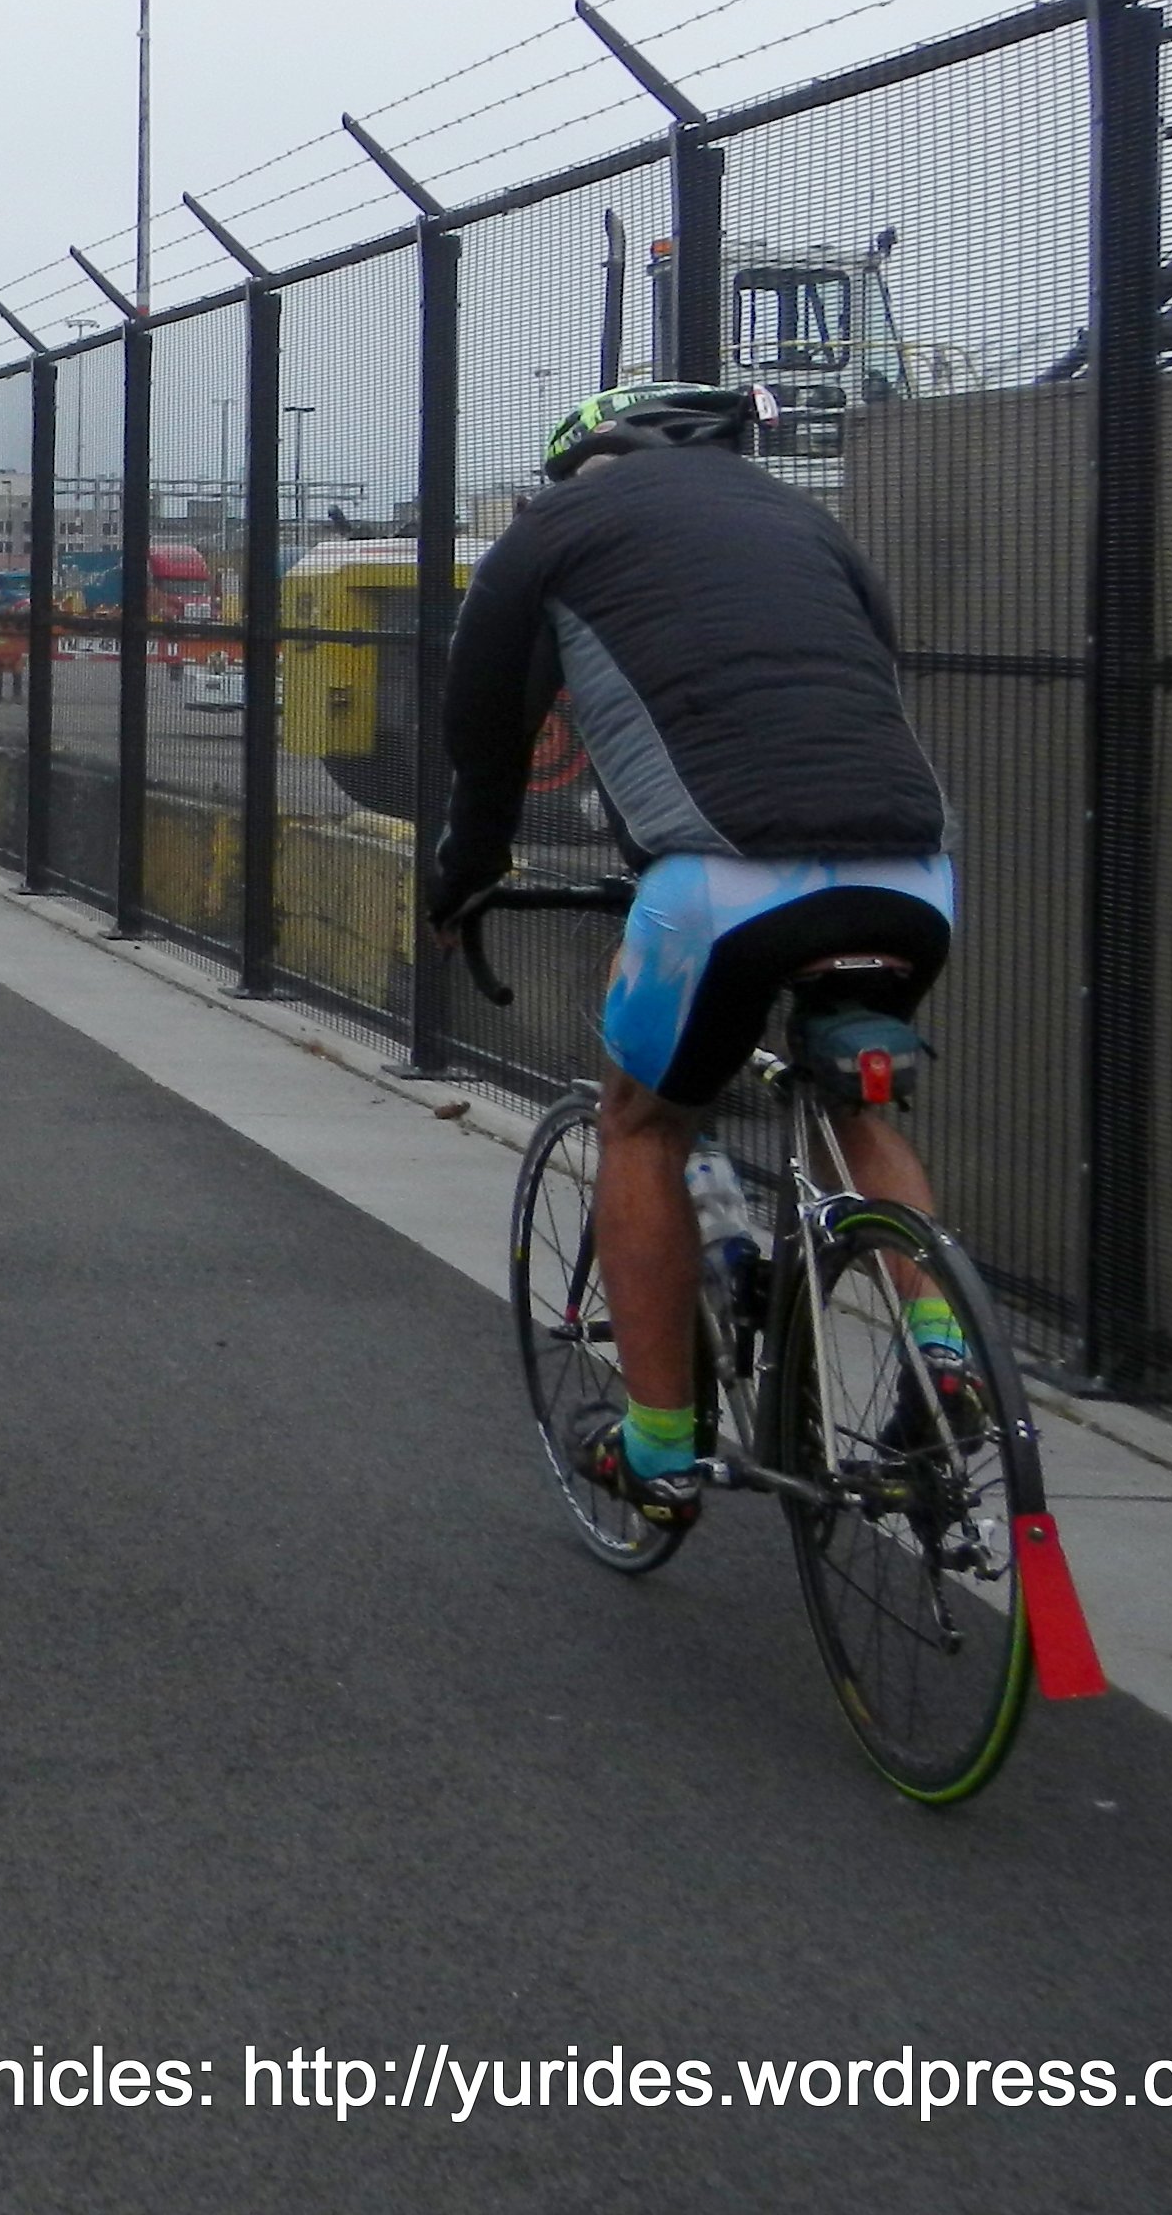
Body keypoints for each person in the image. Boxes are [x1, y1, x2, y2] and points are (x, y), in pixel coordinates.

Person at [429, 378, 969, 1525]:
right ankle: (946, 1346)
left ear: (587, 459)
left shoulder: (555, 528)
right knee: (860, 1110)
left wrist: (467, 873)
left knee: (643, 1123)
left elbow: (484, 724)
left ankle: (661, 1445)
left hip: (724, 878)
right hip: (912, 869)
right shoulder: (808, 523)